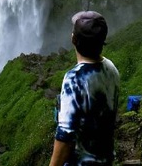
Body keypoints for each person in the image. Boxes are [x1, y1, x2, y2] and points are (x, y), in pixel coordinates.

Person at [48, 10, 120, 166]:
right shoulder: (111, 68)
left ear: (74, 39)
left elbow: (65, 136)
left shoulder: (74, 79)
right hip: (105, 160)